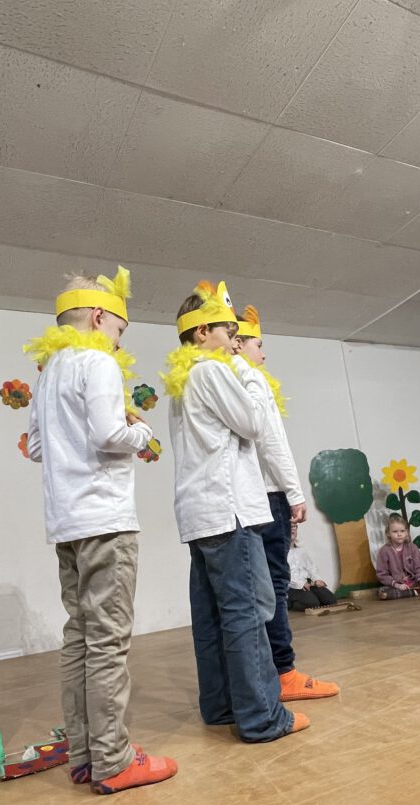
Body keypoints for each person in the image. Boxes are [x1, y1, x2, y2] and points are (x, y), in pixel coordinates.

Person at [25, 265, 177, 794]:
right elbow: (111, 434)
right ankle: (114, 761)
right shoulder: (99, 362)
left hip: (65, 522)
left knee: (80, 635)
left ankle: (85, 755)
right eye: (119, 327)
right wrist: (142, 431)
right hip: (106, 521)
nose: (119, 339)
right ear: (97, 316)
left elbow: (38, 448)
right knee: (109, 640)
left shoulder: (47, 373)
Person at [165, 281, 308, 743]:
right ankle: (262, 717)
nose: (235, 341)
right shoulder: (214, 369)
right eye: (229, 332)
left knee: (212, 614)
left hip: (199, 512)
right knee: (248, 611)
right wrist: (246, 371)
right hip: (230, 511)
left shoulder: (183, 379)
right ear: (202, 332)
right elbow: (252, 423)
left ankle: (222, 705)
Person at [233, 303, 339, 701]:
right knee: (276, 585)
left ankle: (262, 673)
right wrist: (294, 493)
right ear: (239, 343)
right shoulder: (252, 380)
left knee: (253, 588)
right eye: (258, 344)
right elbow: (273, 443)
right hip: (269, 494)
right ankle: (284, 672)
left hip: (243, 499)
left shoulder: (222, 379)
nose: (263, 353)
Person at [375, 514, 420, 599]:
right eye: (395, 531)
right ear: (388, 533)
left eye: (402, 531)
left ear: (406, 532)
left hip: (415, 582)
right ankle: (416, 592)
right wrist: (397, 585)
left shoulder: (412, 547)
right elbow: (382, 574)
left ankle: (415, 591)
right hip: (396, 585)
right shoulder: (384, 551)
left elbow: (419, 567)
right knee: (383, 592)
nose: (399, 534)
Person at [286, 522, 338, 611]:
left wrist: (317, 579)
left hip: (307, 584)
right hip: (291, 586)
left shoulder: (301, 551)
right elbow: (283, 575)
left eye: (294, 526)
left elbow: (311, 568)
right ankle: (289, 603)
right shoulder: (278, 554)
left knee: (331, 600)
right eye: (289, 526)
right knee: (312, 604)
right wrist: (300, 584)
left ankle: (311, 598)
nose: (292, 529)